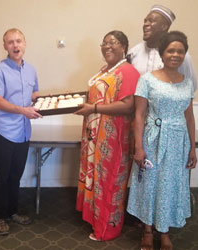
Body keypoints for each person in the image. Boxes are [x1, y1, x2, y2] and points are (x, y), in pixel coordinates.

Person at [127, 31, 196, 250]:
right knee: (150, 184)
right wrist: (139, 147)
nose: (176, 54)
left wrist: (192, 148)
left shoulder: (187, 83)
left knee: (171, 185)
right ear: (162, 53)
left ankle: (164, 231)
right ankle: (147, 231)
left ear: (184, 54)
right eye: (171, 50)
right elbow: (139, 115)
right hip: (152, 138)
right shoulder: (147, 79)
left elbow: (189, 117)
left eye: (180, 51)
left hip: (178, 141)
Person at [75, 30, 140, 241]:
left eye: (113, 42)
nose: (108, 46)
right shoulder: (105, 70)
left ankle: (107, 229)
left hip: (113, 138)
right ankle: (95, 220)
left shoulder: (128, 71)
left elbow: (128, 105)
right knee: (96, 179)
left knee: (109, 183)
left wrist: (92, 108)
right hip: (95, 135)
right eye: (104, 43)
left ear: (124, 46)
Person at [0, 28, 42, 236]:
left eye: (18, 41)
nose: (15, 45)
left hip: (23, 132)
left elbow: (34, 94)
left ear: (25, 43)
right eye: (10, 42)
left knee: (16, 176)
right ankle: (0, 217)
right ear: (5, 47)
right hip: (3, 132)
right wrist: (23, 111)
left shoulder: (31, 70)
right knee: (2, 177)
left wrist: (56, 100)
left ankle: (12, 212)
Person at [128, 4, 197, 91]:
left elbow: (190, 86)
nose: (145, 24)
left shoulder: (179, 55)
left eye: (151, 21)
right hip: (138, 104)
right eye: (145, 21)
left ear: (164, 27)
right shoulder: (134, 52)